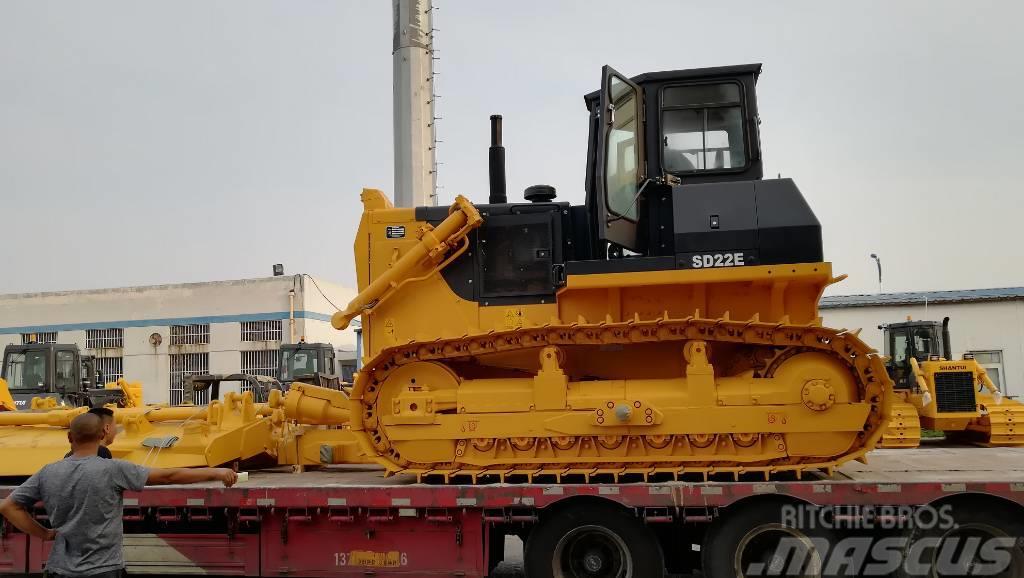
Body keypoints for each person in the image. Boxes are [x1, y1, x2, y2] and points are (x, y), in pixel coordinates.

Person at [0, 412, 237, 578]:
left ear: (69, 438)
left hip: (59, 569)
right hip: (104, 570)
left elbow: (8, 507)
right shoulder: (114, 469)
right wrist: (216, 472)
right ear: (104, 433)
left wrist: (45, 534)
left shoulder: (47, 472)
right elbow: (168, 476)